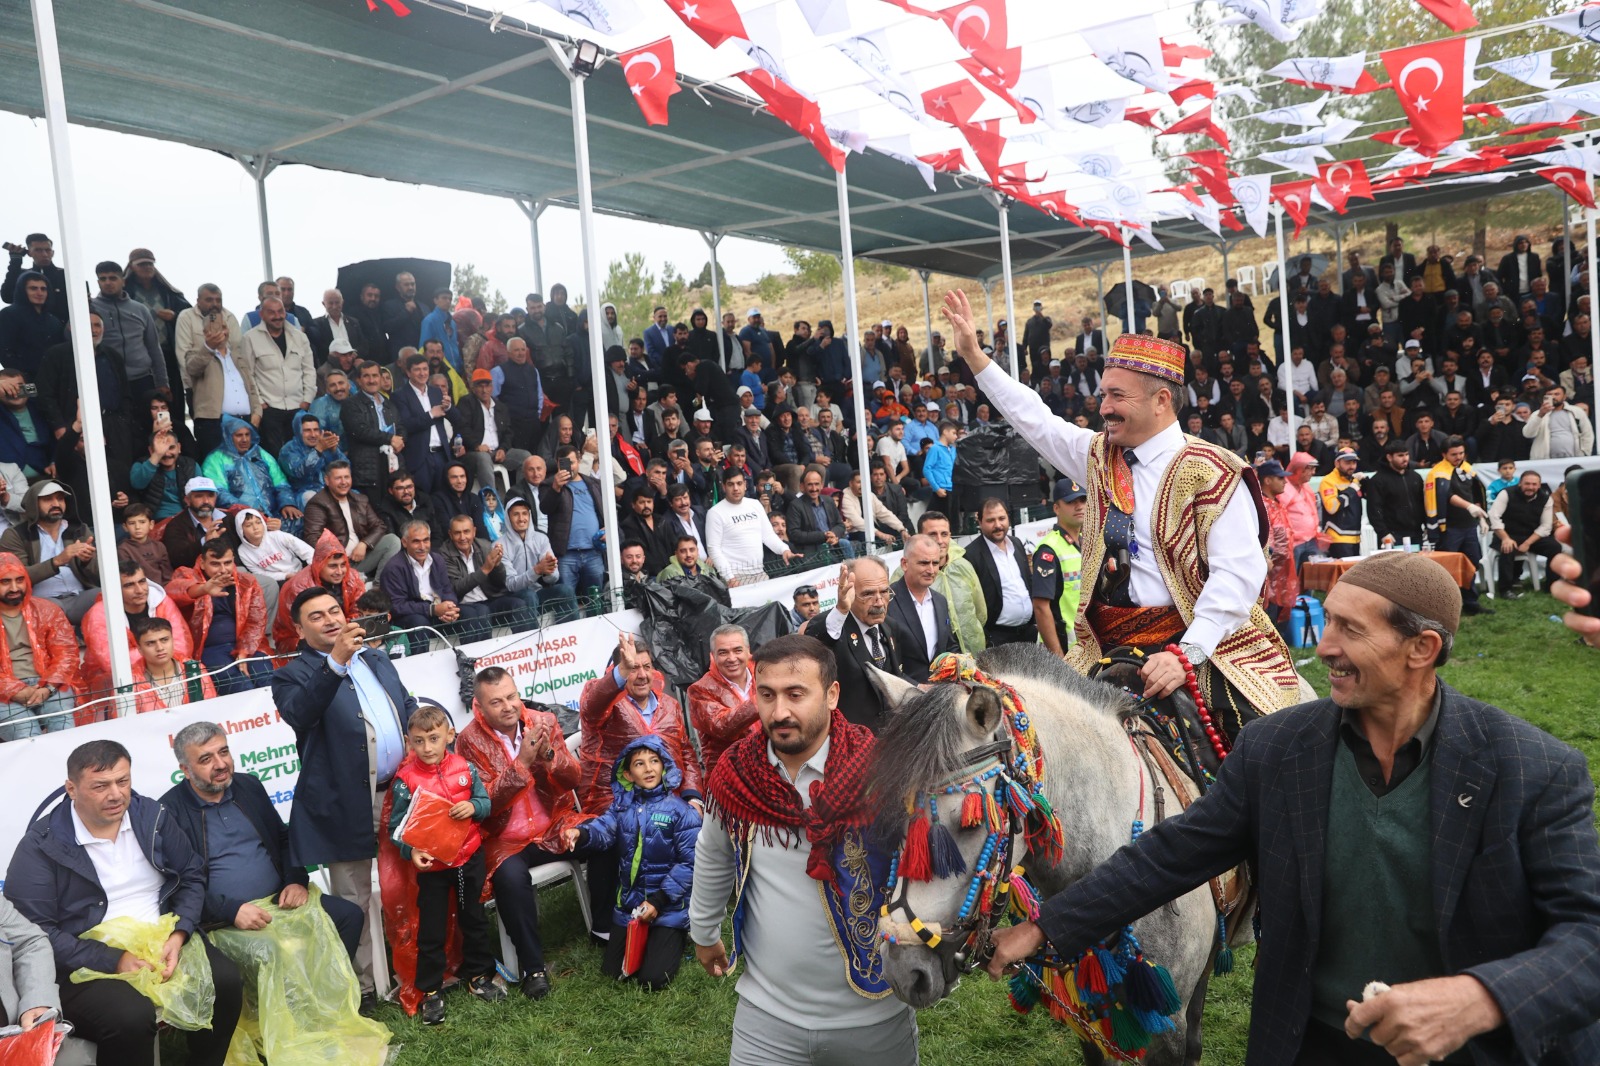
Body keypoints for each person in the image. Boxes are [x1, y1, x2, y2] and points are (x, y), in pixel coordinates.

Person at [986, 550, 1600, 1066]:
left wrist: (1479, 999)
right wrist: (1045, 927)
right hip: (1315, 1047)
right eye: (1327, 621)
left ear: (1422, 648)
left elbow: (1588, 938)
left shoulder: (1533, 769)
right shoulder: (1278, 749)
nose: (1324, 646)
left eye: (1350, 630)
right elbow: (1172, 854)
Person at [943, 290, 1302, 729]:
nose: (1104, 408)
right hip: (1104, 648)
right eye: (1103, 395)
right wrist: (975, 357)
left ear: (1161, 401)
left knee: (1262, 744)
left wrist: (1187, 654)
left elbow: (1237, 576)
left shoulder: (1213, 471)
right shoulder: (1098, 455)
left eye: (1117, 396)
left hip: (1198, 645)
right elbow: (1035, 418)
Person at [691, 633, 916, 1065]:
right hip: (766, 1016)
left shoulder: (883, 772)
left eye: (796, 694)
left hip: (876, 1016)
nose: (779, 712)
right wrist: (703, 931)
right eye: (767, 695)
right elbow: (714, 853)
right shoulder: (736, 775)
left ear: (832, 695)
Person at [4, 740, 243, 1066]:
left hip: (162, 942)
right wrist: (113, 959)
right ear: (72, 789)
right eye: (100, 786)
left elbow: (191, 874)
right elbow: (35, 929)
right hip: (83, 964)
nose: (116, 794)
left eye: (123, 781)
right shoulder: (41, 845)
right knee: (130, 1016)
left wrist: (180, 934)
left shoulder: (152, 817)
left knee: (225, 982)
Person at [275, 587, 415, 1006]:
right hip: (345, 804)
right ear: (299, 630)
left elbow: (404, 703)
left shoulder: (374, 657)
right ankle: (364, 988)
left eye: (334, 610)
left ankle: (421, 970)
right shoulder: (291, 675)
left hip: (400, 793)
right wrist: (335, 662)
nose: (330, 619)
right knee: (353, 900)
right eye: (316, 616)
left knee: (413, 883)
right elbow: (301, 713)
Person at [161, 721, 362, 960]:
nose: (221, 764)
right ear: (185, 770)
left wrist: (295, 881)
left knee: (349, 916)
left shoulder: (248, 786)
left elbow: (283, 838)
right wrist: (231, 911)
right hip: (222, 919)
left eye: (224, 752)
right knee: (271, 951)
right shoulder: (169, 812)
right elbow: (179, 885)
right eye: (206, 759)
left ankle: (327, 985)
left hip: (280, 901)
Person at [576, 634, 704, 939]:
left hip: (665, 798)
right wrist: (622, 671)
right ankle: (605, 928)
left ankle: (678, 909)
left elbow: (685, 752)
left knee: (685, 830)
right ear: (617, 671)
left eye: (646, 666)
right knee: (612, 834)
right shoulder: (607, 705)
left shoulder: (669, 705)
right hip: (614, 799)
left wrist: (692, 796)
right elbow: (592, 705)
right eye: (633, 668)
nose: (642, 674)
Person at [383, 704, 504, 1023]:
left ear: (450, 736)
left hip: (468, 859)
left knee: (474, 919)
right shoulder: (405, 780)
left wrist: (473, 806)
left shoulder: (466, 768)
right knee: (431, 930)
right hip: (432, 869)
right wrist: (411, 851)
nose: (427, 748)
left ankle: (479, 976)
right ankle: (430, 990)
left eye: (434, 738)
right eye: (419, 741)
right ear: (409, 742)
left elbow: (485, 803)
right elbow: (396, 828)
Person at [564, 736, 699, 991]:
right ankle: (647, 938)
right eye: (639, 764)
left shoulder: (682, 811)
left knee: (653, 980)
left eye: (654, 761)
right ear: (627, 774)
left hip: (668, 905)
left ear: (664, 766)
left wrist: (658, 900)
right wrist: (580, 833)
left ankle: (678, 935)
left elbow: (690, 863)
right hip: (630, 905)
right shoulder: (621, 807)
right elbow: (603, 829)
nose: (648, 768)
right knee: (612, 972)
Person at [803, 558, 903, 730]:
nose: (879, 602)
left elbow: (895, 676)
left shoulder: (890, 627)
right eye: (868, 594)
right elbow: (815, 647)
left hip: (891, 736)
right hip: (850, 738)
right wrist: (841, 610)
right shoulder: (832, 626)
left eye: (884, 592)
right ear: (849, 592)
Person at [168, 540, 271, 694]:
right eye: (215, 564)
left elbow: (256, 621)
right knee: (241, 686)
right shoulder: (186, 575)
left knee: (268, 680)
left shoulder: (247, 582)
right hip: (208, 650)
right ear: (202, 563)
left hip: (246, 646)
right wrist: (203, 589)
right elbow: (173, 592)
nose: (223, 570)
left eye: (227, 563)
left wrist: (244, 652)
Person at [0, 550, 80, 741]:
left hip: (49, 685)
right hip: (3, 693)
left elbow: (67, 654)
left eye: (20, 580)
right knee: (27, 736)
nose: (14, 587)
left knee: (64, 732)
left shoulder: (46, 609)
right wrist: (13, 690)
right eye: (5, 582)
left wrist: (48, 687)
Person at [0, 480, 99, 626]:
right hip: (41, 600)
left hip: (79, 597)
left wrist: (87, 561)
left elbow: (102, 575)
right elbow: (16, 577)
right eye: (48, 499)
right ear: (34, 504)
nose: (56, 504)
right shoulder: (16, 534)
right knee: (50, 611)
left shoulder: (79, 529)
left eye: (60, 498)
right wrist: (57, 561)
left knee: (109, 597)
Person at [1423, 436, 1492, 615]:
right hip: (1449, 528)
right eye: (1454, 454)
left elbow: (1476, 494)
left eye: (1461, 453)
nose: (1459, 457)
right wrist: (1468, 506)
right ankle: (1447, 605)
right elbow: (1447, 496)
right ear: (1444, 454)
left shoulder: (1467, 469)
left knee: (1471, 563)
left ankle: (1470, 602)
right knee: (1448, 568)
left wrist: (1481, 516)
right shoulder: (1438, 473)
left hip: (1469, 525)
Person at [301, 460, 403, 579]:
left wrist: (364, 543)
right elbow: (312, 538)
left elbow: (379, 526)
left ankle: (378, 585)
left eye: (347, 477)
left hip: (360, 558)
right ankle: (354, 580)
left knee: (392, 541)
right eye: (338, 478)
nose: (344, 482)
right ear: (327, 480)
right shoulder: (317, 503)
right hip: (336, 564)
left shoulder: (360, 499)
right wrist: (338, 556)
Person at [239, 297, 314, 457]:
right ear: (262, 314)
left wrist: (307, 399)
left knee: (299, 454)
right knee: (274, 454)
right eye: (271, 312)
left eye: (280, 311)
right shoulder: (250, 338)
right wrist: (259, 402)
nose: (277, 316)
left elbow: (309, 370)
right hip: (269, 407)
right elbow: (248, 374)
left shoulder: (299, 337)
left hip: (297, 405)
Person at [687, 624, 759, 782]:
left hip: (771, 773)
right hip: (729, 780)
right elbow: (722, 726)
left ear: (748, 651)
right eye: (723, 652)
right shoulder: (699, 690)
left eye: (737, 650)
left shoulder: (764, 675)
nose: (731, 658)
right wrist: (764, 699)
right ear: (712, 655)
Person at [186, 310, 261, 458]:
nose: (221, 332)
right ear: (205, 332)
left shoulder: (238, 356)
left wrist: (257, 413)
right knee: (217, 466)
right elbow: (192, 369)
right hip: (213, 424)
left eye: (224, 327)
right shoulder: (196, 353)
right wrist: (209, 347)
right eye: (215, 328)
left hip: (244, 422)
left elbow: (251, 388)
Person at [707, 467, 797, 585]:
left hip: (760, 572)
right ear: (724, 487)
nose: (736, 488)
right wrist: (729, 577)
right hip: (735, 577)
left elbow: (768, 535)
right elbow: (714, 549)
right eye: (730, 484)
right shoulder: (715, 513)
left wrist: (784, 549)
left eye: (739, 483)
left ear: (745, 485)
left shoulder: (755, 504)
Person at [888, 534, 958, 683]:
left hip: (940, 690)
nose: (931, 570)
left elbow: (949, 645)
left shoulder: (940, 601)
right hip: (903, 692)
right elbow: (885, 660)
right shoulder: (887, 601)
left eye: (935, 563)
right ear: (904, 564)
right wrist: (916, 687)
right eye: (924, 563)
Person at [201, 415, 299, 522]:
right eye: (239, 435)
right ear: (228, 437)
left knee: (297, 519)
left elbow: (281, 483)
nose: (244, 439)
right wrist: (247, 510)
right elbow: (220, 492)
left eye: (247, 435)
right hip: (239, 517)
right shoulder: (215, 459)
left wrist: (287, 503)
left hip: (272, 515)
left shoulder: (261, 454)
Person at [379, 520, 465, 641]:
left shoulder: (437, 560)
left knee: (473, 612)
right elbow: (396, 606)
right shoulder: (394, 568)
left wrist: (450, 607)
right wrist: (432, 610)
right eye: (416, 541)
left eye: (426, 540)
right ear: (404, 542)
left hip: (437, 614)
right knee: (419, 623)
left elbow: (447, 589)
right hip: (411, 618)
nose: (422, 547)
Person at [968, 498, 1038, 646]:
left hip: (1029, 633)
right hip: (998, 638)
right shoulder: (971, 555)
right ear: (980, 522)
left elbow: (1028, 582)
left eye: (1001, 518)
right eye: (990, 520)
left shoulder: (1016, 544)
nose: (998, 525)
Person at [542, 444, 607, 597]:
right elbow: (545, 508)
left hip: (593, 551)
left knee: (595, 600)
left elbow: (605, 511)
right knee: (566, 600)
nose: (569, 467)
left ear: (579, 461)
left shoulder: (594, 484)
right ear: (557, 464)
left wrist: (606, 528)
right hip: (566, 554)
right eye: (564, 463)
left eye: (572, 462)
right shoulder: (549, 484)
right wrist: (556, 488)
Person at [1031, 479, 1086, 657]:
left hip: (1086, 650)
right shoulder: (1049, 550)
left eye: (1082, 500)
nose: (1079, 506)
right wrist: (1058, 658)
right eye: (1071, 502)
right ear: (1056, 508)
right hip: (1063, 652)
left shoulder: (1088, 542)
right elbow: (1041, 607)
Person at [443, 513, 525, 633]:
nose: (462, 537)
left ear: (474, 532)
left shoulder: (484, 546)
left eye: (466, 532)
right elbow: (456, 588)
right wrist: (485, 569)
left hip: (489, 599)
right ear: (450, 534)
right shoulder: (444, 553)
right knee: (481, 611)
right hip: (463, 605)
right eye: (457, 533)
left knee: (518, 604)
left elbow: (500, 583)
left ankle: (529, 644)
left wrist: (497, 565)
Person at [499, 496, 576, 621]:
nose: (521, 519)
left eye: (525, 513)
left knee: (565, 590)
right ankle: (533, 634)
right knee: (528, 595)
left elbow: (554, 578)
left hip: (537, 594)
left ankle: (572, 632)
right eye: (516, 514)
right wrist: (537, 570)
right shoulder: (499, 545)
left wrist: (548, 571)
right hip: (512, 599)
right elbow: (511, 585)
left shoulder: (541, 539)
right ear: (508, 517)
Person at [232, 507, 312, 624]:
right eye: (249, 525)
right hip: (280, 582)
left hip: (301, 572)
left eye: (258, 522)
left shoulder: (278, 536)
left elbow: (307, 551)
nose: (255, 527)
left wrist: (310, 571)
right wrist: (286, 576)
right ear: (241, 530)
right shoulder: (243, 552)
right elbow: (259, 573)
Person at [1489, 470, 1561, 598]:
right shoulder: (1506, 493)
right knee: (1508, 548)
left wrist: (1528, 543)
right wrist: (1505, 538)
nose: (1530, 487)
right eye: (1527, 484)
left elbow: (1546, 526)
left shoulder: (1546, 498)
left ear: (1539, 485)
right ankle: (1506, 589)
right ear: (1520, 484)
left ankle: (1552, 586)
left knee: (1555, 547)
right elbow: (1494, 516)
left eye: (1534, 484)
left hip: (1531, 536)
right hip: (1507, 534)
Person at [277, 410, 346, 506]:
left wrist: (334, 452)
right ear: (298, 431)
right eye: (307, 430)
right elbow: (299, 472)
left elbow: (345, 470)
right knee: (311, 497)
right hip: (301, 494)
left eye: (316, 430)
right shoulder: (288, 450)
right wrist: (318, 451)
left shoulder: (324, 445)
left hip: (329, 490)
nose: (313, 435)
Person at [1366, 441, 1428, 548]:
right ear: (1389, 457)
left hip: (1416, 533)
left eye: (1407, 454)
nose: (1405, 459)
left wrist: (1427, 525)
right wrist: (1383, 533)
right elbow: (1374, 510)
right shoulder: (1378, 480)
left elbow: (1423, 504)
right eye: (1400, 455)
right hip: (1392, 535)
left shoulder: (1415, 477)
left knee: (1417, 559)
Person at [786, 468, 852, 562]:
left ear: (822, 485)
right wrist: (823, 535)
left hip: (834, 549)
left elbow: (840, 524)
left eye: (817, 484)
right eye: (810, 484)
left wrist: (834, 534)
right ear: (802, 486)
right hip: (811, 556)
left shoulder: (829, 501)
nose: (814, 489)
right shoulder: (795, 505)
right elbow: (794, 534)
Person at [1523, 386, 1593, 459]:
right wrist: (1540, 415)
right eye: (1550, 394)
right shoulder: (1537, 414)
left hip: (1575, 458)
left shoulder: (1576, 411)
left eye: (1556, 394)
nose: (1553, 397)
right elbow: (1528, 434)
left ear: (1564, 397)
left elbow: (1587, 433)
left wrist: (1585, 453)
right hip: (1545, 460)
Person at [1317, 449, 1363, 559]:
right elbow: (1331, 508)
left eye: (1354, 462)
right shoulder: (1328, 481)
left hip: (1356, 537)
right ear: (1337, 463)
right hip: (1338, 538)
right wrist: (1352, 489)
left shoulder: (1354, 480)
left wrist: (1366, 482)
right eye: (1347, 463)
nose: (1351, 466)